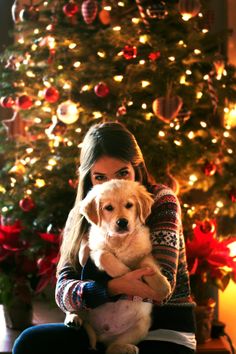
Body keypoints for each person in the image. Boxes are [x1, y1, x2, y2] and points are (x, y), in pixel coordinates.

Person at [13, 121, 196, 354]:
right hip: (99, 326)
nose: (111, 184)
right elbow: (63, 292)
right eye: (100, 177)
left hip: (163, 328)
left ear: (136, 168)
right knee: (30, 342)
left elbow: (161, 291)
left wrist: (95, 286)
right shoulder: (83, 211)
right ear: (89, 177)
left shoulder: (160, 200)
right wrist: (108, 288)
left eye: (122, 173)